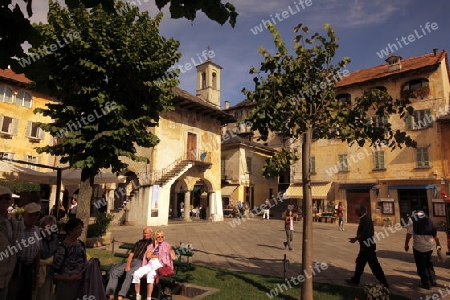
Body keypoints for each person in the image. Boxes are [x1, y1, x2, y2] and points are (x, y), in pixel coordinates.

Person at [346, 205, 389, 288]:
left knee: (372, 265)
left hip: (367, 246)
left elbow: (367, 233)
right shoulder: (364, 218)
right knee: (361, 263)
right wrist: (356, 238)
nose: (355, 213)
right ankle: (356, 280)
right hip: (366, 246)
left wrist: (357, 238)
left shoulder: (366, 219)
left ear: (361, 211)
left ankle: (384, 283)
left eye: (356, 211)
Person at [105, 226, 153, 300]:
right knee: (114, 272)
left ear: (150, 234)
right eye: (144, 233)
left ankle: (121, 295)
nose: (145, 235)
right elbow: (131, 254)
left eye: (147, 233)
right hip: (132, 261)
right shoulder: (139, 242)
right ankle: (110, 294)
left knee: (130, 273)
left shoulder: (152, 244)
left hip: (141, 263)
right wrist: (128, 264)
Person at [8, 202, 41, 300]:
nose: (33, 218)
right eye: (31, 215)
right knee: (13, 295)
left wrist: (37, 274)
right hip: (16, 268)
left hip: (29, 269)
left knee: (27, 296)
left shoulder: (37, 230)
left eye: (36, 215)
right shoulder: (15, 228)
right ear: (24, 215)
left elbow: (37, 253)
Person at [132, 230, 176, 300]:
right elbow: (148, 256)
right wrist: (155, 247)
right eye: (158, 237)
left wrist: (171, 252)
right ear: (155, 238)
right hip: (150, 264)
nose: (161, 238)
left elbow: (169, 256)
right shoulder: (150, 246)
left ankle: (148, 298)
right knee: (136, 274)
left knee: (150, 275)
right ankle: (138, 295)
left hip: (159, 265)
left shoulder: (166, 245)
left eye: (162, 237)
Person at [50, 217, 87, 300]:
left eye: (81, 227)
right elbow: (53, 273)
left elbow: (84, 262)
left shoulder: (81, 245)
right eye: (78, 228)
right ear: (70, 230)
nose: (81, 230)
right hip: (66, 286)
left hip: (80, 284)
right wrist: (68, 279)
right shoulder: (62, 248)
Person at [404, 209, 441, 289]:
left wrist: (406, 244)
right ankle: (433, 280)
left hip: (419, 246)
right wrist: (438, 245)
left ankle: (426, 283)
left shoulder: (412, 219)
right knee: (429, 263)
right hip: (429, 246)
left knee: (421, 265)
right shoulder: (430, 219)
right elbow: (436, 236)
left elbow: (409, 234)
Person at [0, 186, 19, 300]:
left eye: (6, 198)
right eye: (0, 198)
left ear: (10, 201)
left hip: (6, 277)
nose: (3, 201)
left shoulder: (12, 221)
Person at [36, 215, 59, 300]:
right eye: (48, 226)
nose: (50, 228)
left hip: (50, 271)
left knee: (47, 295)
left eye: (52, 226)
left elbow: (57, 251)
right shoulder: (37, 237)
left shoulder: (55, 238)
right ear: (42, 226)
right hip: (39, 270)